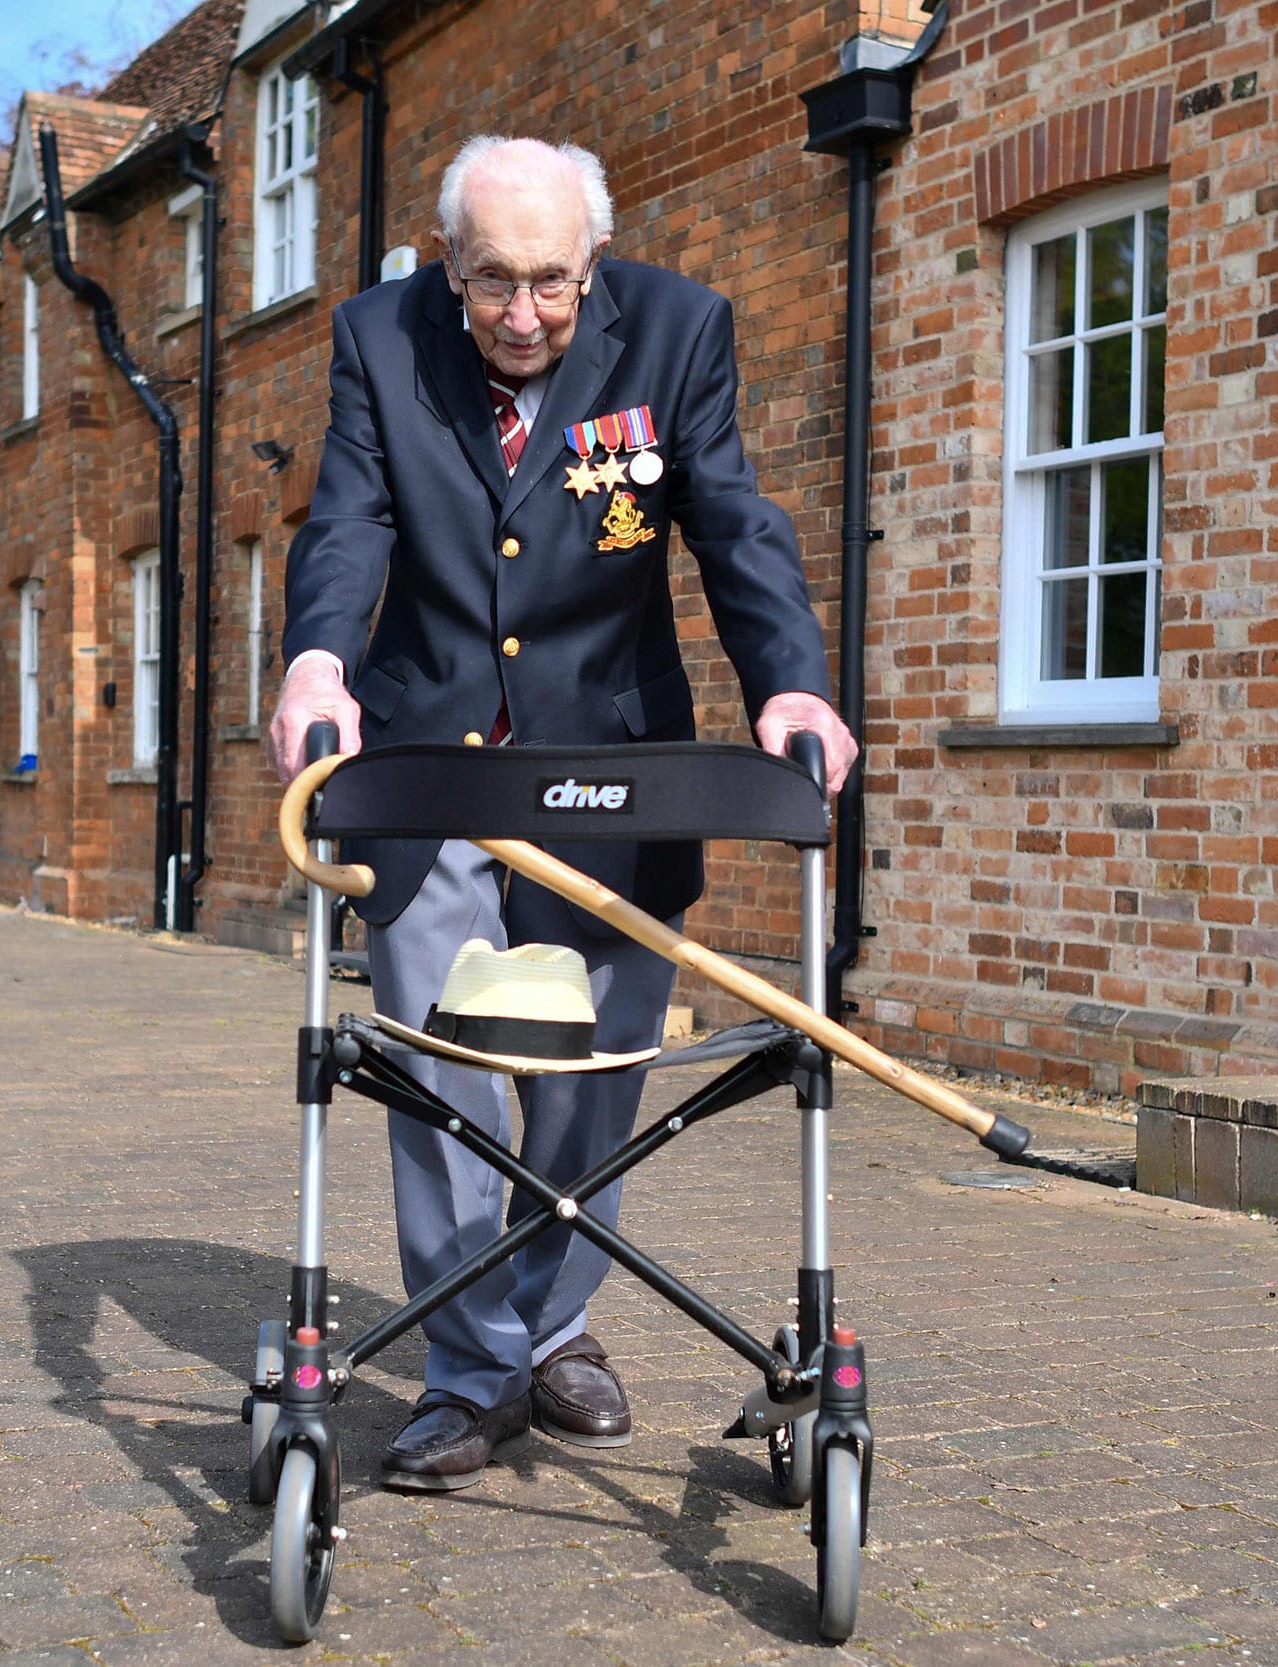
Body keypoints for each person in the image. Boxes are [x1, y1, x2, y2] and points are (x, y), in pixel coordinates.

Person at [271, 135, 858, 1492]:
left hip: (615, 753)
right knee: (440, 1066)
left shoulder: (680, 329)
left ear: (592, 264)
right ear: (445, 263)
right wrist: (315, 660)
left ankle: (559, 1326)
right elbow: (347, 523)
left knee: (596, 1077)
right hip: (430, 762)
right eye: (491, 284)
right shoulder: (377, 338)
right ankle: (471, 1370)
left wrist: (793, 690)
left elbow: (733, 522)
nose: (523, 314)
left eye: (551, 282)